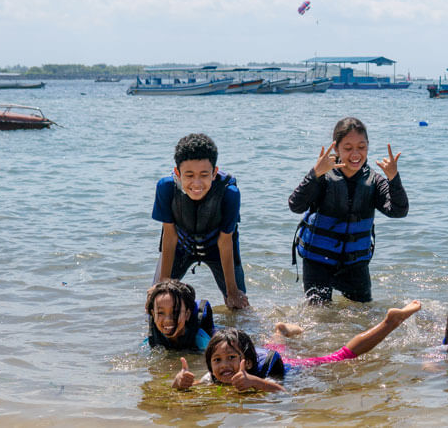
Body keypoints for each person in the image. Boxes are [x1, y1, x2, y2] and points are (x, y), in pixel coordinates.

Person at [171, 300, 422, 392]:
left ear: (245, 361)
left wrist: (255, 383)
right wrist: (180, 382)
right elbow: (192, 386)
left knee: (340, 356)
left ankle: (390, 322)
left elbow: (279, 390)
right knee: (276, 346)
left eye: (230, 358)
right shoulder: (213, 376)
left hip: (290, 367)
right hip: (267, 354)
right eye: (217, 361)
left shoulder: (257, 368)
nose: (224, 365)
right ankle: (280, 329)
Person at [289, 117, 409, 304]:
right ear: (336, 149)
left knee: (362, 317)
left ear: (368, 146)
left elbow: (399, 211)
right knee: (319, 319)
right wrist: (314, 173)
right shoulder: (323, 177)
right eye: (348, 148)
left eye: (361, 147)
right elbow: (295, 205)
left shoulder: (374, 181)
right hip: (318, 262)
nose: (355, 154)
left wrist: (394, 178)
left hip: (355, 265)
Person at [152, 133, 248, 309]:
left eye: (204, 174)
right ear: (177, 173)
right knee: (157, 300)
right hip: (181, 245)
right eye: (189, 175)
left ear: (214, 173)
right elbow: (170, 235)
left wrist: (232, 291)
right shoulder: (166, 188)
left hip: (218, 248)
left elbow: (225, 241)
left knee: (238, 305)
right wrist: (162, 286)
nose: (196, 183)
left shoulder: (230, 193)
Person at [145, 281, 218, 351]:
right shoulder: (152, 338)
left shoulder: (201, 340)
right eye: (160, 313)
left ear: (187, 314)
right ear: (154, 314)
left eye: (175, 312)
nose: (167, 319)